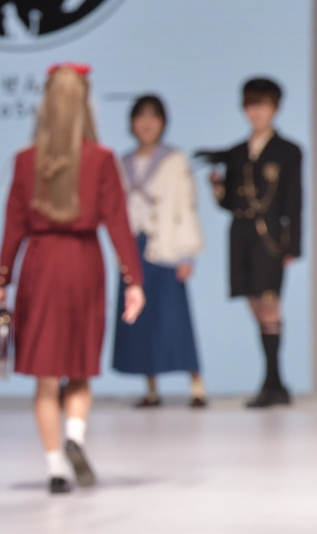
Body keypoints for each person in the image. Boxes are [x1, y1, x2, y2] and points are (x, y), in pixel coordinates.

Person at [0, 64, 145, 494]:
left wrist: (2, 280)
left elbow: (13, 226)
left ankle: (56, 468)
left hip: (41, 264)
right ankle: (75, 436)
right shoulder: (101, 159)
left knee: (46, 376)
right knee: (79, 365)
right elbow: (118, 223)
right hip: (84, 262)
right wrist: (133, 280)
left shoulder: (25, 161)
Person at [201, 77, 302, 408]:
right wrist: (218, 190)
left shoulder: (288, 151)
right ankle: (274, 382)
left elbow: (294, 200)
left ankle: (274, 382)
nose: (257, 112)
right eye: (251, 105)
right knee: (254, 305)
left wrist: (293, 245)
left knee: (270, 305)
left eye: (263, 105)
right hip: (241, 235)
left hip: (270, 238)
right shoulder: (237, 152)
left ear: (275, 108)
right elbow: (232, 201)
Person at [111, 95, 207, 408]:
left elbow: (186, 206)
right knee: (140, 319)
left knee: (174, 318)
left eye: (153, 116)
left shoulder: (175, 159)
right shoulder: (123, 162)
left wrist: (187, 253)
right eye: (141, 116)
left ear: (163, 122)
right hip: (133, 248)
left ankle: (197, 386)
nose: (147, 123)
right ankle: (151, 387)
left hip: (166, 247)